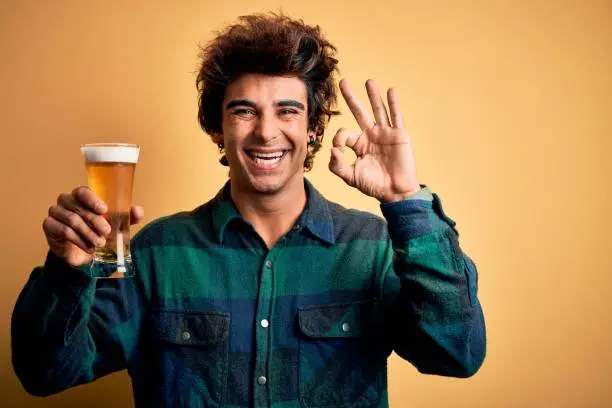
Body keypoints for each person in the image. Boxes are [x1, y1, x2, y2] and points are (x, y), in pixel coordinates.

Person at [11, 13, 486, 408]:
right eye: (243, 111)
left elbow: (457, 353)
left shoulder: (374, 247)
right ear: (217, 128)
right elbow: (45, 372)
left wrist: (406, 203)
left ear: (314, 129)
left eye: (287, 111)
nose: (265, 132)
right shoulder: (157, 253)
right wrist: (66, 271)